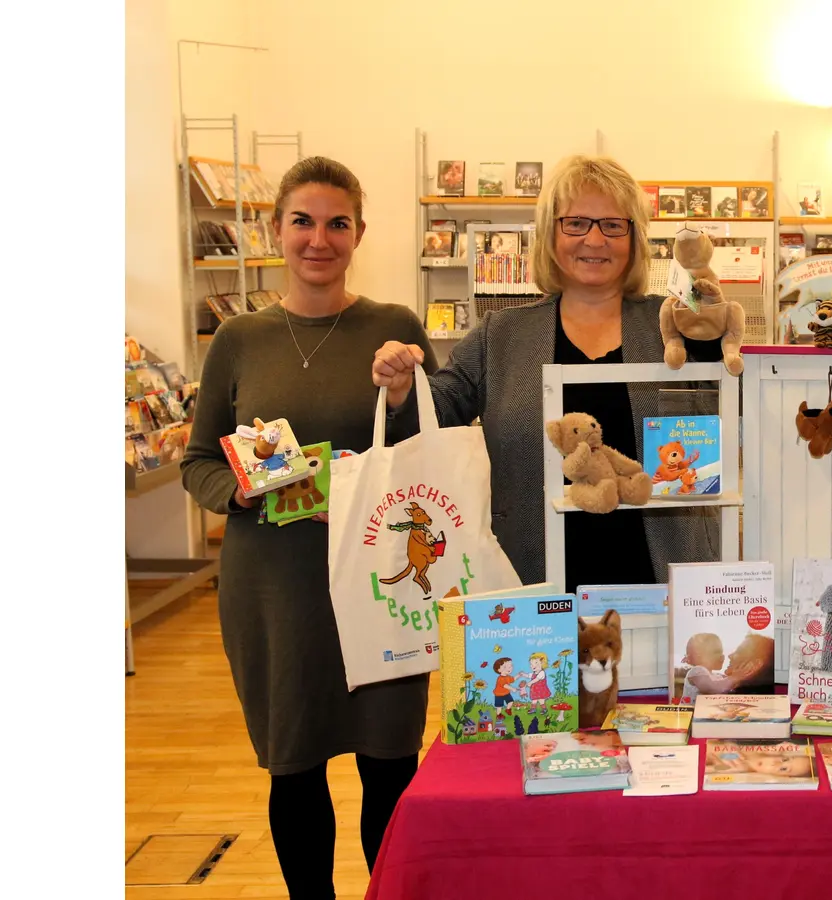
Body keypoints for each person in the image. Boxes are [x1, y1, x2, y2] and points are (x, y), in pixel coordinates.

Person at [181, 156, 439, 900]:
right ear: (275, 229)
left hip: (378, 581)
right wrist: (239, 491)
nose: (318, 239)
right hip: (275, 587)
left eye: (337, 223)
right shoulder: (239, 340)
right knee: (294, 767)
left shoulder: (393, 328)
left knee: (390, 763)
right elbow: (201, 459)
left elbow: (427, 445)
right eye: (302, 221)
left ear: (359, 233)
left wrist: (402, 391)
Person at [372, 155, 721, 594]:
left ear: (634, 238)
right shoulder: (501, 334)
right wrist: (404, 387)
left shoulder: (673, 324)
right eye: (576, 223)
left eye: (613, 225)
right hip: (531, 590)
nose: (595, 239)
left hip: (660, 586)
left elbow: (728, 405)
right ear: (550, 234)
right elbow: (436, 410)